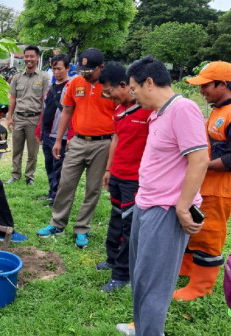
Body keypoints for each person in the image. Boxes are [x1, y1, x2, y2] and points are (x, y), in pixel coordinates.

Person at [116, 56, 209, 336]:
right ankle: (142, 327)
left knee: (155, 284)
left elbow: (200, 159)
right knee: (141, 277)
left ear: (149, 82)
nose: (132, 96)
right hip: (146, 204)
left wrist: (183, 207)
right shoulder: (159, 113)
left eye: (133, 89)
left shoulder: (183, 109)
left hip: (166, 210)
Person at [36, 48, 115, 248]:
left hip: (103, 143)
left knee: (92, 189)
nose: (85, 75)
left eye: (89, 72)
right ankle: (57, 223)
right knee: (65, 182)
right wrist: (58, 140)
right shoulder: (76, 83)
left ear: (101, 68)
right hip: (78, 141)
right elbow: (67, 112)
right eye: (82, 71)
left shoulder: (113, 85)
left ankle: (82, 228)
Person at [172, 61, 231, 301]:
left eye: (206, 85)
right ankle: (186, 269)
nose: (201, 91)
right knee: (194, 229)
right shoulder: (219, 109)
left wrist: (201, 164)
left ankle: (201, 286)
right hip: (205, 185)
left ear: (223, 84)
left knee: (209, 234)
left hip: (220, 189)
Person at [96, 62, 152, 292]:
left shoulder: (148, 110)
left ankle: (122, 274)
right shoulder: (118, 111)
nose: (109, 97)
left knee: (130, 226)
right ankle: (112, 259)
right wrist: (109, 169)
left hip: (135, 179)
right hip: (118, 174)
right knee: (116, 218)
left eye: (110, 91)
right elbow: (116, 140)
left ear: (124, 85)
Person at [5, 45, 49, 186]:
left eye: (32, 56)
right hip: (19, 118)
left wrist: (42, 122)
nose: (29, 59)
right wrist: (10, 117)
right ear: (24, 58)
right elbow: (12, 98)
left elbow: (45, 100)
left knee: (32, 151)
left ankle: (30, 176)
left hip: (34, 119)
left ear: (37, 58)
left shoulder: (44, 77)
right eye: (26, 56)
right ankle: (15, 174)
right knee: (16, 149)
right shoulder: (17, 77)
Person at [35, 53, 74, 207]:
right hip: (47, 134)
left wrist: (70, 135)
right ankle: (52, 194)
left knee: (59, 169)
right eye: (53, 69)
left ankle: (57, 198)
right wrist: (39, 131)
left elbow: (71, 113)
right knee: (49, 166)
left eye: (59, 69)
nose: (56, 72)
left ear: (68, 68)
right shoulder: (51, 87)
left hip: (60, 136)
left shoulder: (70, 87)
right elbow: (44, 110)